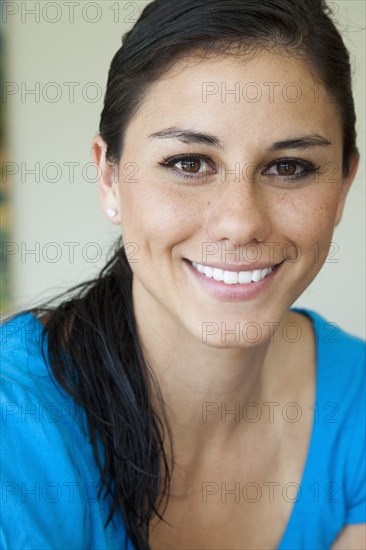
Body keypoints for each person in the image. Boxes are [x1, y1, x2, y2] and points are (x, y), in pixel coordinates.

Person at [1, 0, 365, 548]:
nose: (240, 223)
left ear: (342, 185)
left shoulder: (356, 405)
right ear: (109, 177)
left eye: (289, 167)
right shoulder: (13, 425)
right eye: (189, 162)